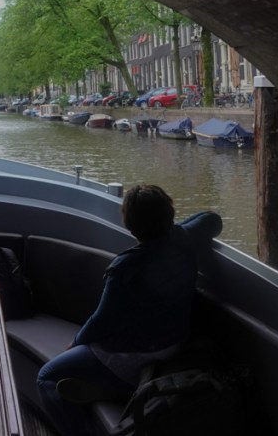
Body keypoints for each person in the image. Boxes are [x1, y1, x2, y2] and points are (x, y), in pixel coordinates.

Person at [37, 184, 223, 436]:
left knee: (47, 377)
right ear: (169, 215)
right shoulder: (185, 238)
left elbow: (102, 321)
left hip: (134, 356)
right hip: (174, 345)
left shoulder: (125, 267)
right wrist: (173, 229)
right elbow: (212, 218)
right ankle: (116, 390)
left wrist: (76, 342)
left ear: (130, 226)